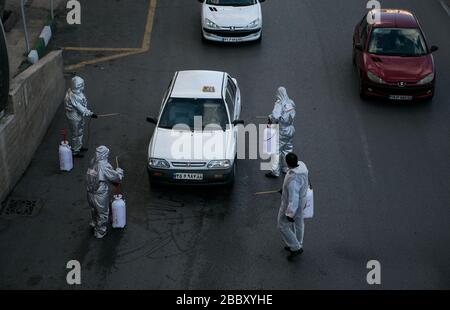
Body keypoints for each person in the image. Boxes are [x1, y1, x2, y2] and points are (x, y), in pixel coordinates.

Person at [86, 146, 124, 239]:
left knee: (94, 209)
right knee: (102, 212)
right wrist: (119, 172)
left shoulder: (93, 161)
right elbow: (115, 177)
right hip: (100, 193)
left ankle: (94, 223)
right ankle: (100, 232)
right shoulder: (104, 165)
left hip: (90, 191)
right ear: (104, 154)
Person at [278, 152, 309, 261]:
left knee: (282, 224)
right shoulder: (302, 165)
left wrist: (289, 213)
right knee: (299, 223)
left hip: (293, 204)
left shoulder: (293, 178)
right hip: (303, 200)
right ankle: (298, 243)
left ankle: (295, 247)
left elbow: (293, 198)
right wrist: (284, 189)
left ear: (287, 163)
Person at [265, 87, 296, 178]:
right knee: (287, 148)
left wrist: (270, 118)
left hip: (282, 130)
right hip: (290, 129)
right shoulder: (291, 102)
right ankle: (287, 168)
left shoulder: (279, 103)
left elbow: (275, 116)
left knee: (275, 150)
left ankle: (275, 171)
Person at [64, 76, 97, 158]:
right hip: (74, 116)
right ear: (77, 86)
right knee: (76, 133)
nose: (83, 86)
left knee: (80, 131)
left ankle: (79, 146)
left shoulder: (74, 92)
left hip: (77, 115)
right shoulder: (74, 96)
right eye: (81, 85)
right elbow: (81, 108)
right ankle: (75, 151)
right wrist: (90, 114)